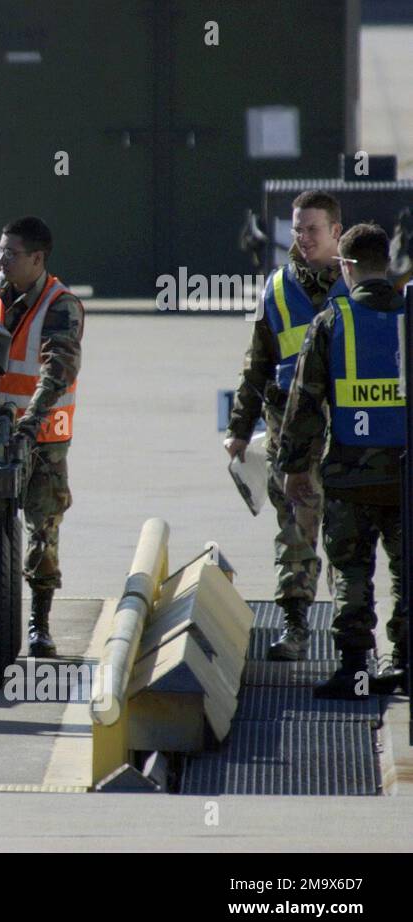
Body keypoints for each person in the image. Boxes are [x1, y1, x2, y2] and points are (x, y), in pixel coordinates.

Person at [279, 223, 407, 699]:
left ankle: (355, 672)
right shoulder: (408, 316)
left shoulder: (333, 321)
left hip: (350, 479)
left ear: (347, 267)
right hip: (405, 478)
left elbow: (304, 403)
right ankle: (405, 665)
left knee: (352, 572)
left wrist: (294, 467)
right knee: (405, 571)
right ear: (386, 264)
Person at [226, 190, 349, 661]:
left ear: (336, 232)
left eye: (312, 229)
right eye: (296, 229)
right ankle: (295, 627)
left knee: (343, 535)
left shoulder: (359, 286)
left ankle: (349, 638)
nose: (302, 238)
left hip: (345, 435)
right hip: (290, 435)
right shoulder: (277, 287)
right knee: (294, 533)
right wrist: (240, 428)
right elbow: (257, 363)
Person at [0, 216, 84, 658]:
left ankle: (39, 623)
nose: (1, 259)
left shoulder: (61, 306)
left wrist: (29, 424)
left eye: (11, 253)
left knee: (42, 528)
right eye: (0, 251)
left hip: (43, 438)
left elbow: (56, 371)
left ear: (37, 259)